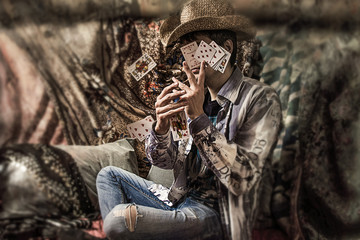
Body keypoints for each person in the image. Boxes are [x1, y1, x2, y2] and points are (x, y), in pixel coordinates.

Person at [96, 0, 282, 239]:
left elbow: (242, 179)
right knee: (108, 175)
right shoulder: (194, 96)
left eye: (197, 48)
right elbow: (165, 161)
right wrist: (160, 128)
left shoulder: (260, 98)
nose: (189, 59)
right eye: (186, 50)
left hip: (216, 215)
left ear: (225, 48)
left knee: (118, 221)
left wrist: (198, 118)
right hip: (179, 199)